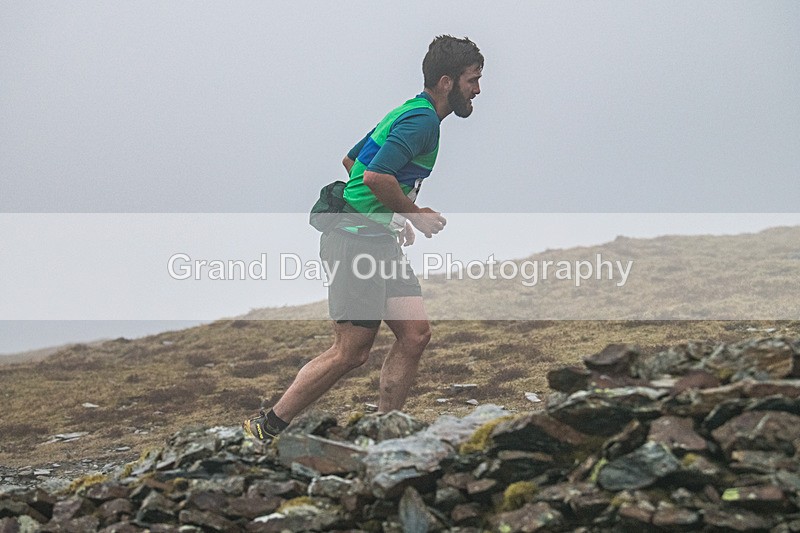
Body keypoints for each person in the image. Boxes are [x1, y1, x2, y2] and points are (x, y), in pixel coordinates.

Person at [243, 35, 483, 442]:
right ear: (447, 81)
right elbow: (373, 176)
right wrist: (413, 214)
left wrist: (390, 217)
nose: (477, 90)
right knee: (351, 352)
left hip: (376, 238)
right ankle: (265, 428)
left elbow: (352, 160)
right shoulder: (421, 120)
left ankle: (385, 434)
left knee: (415, 334)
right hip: (354, 239)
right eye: (472, 80)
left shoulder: (412, 112)